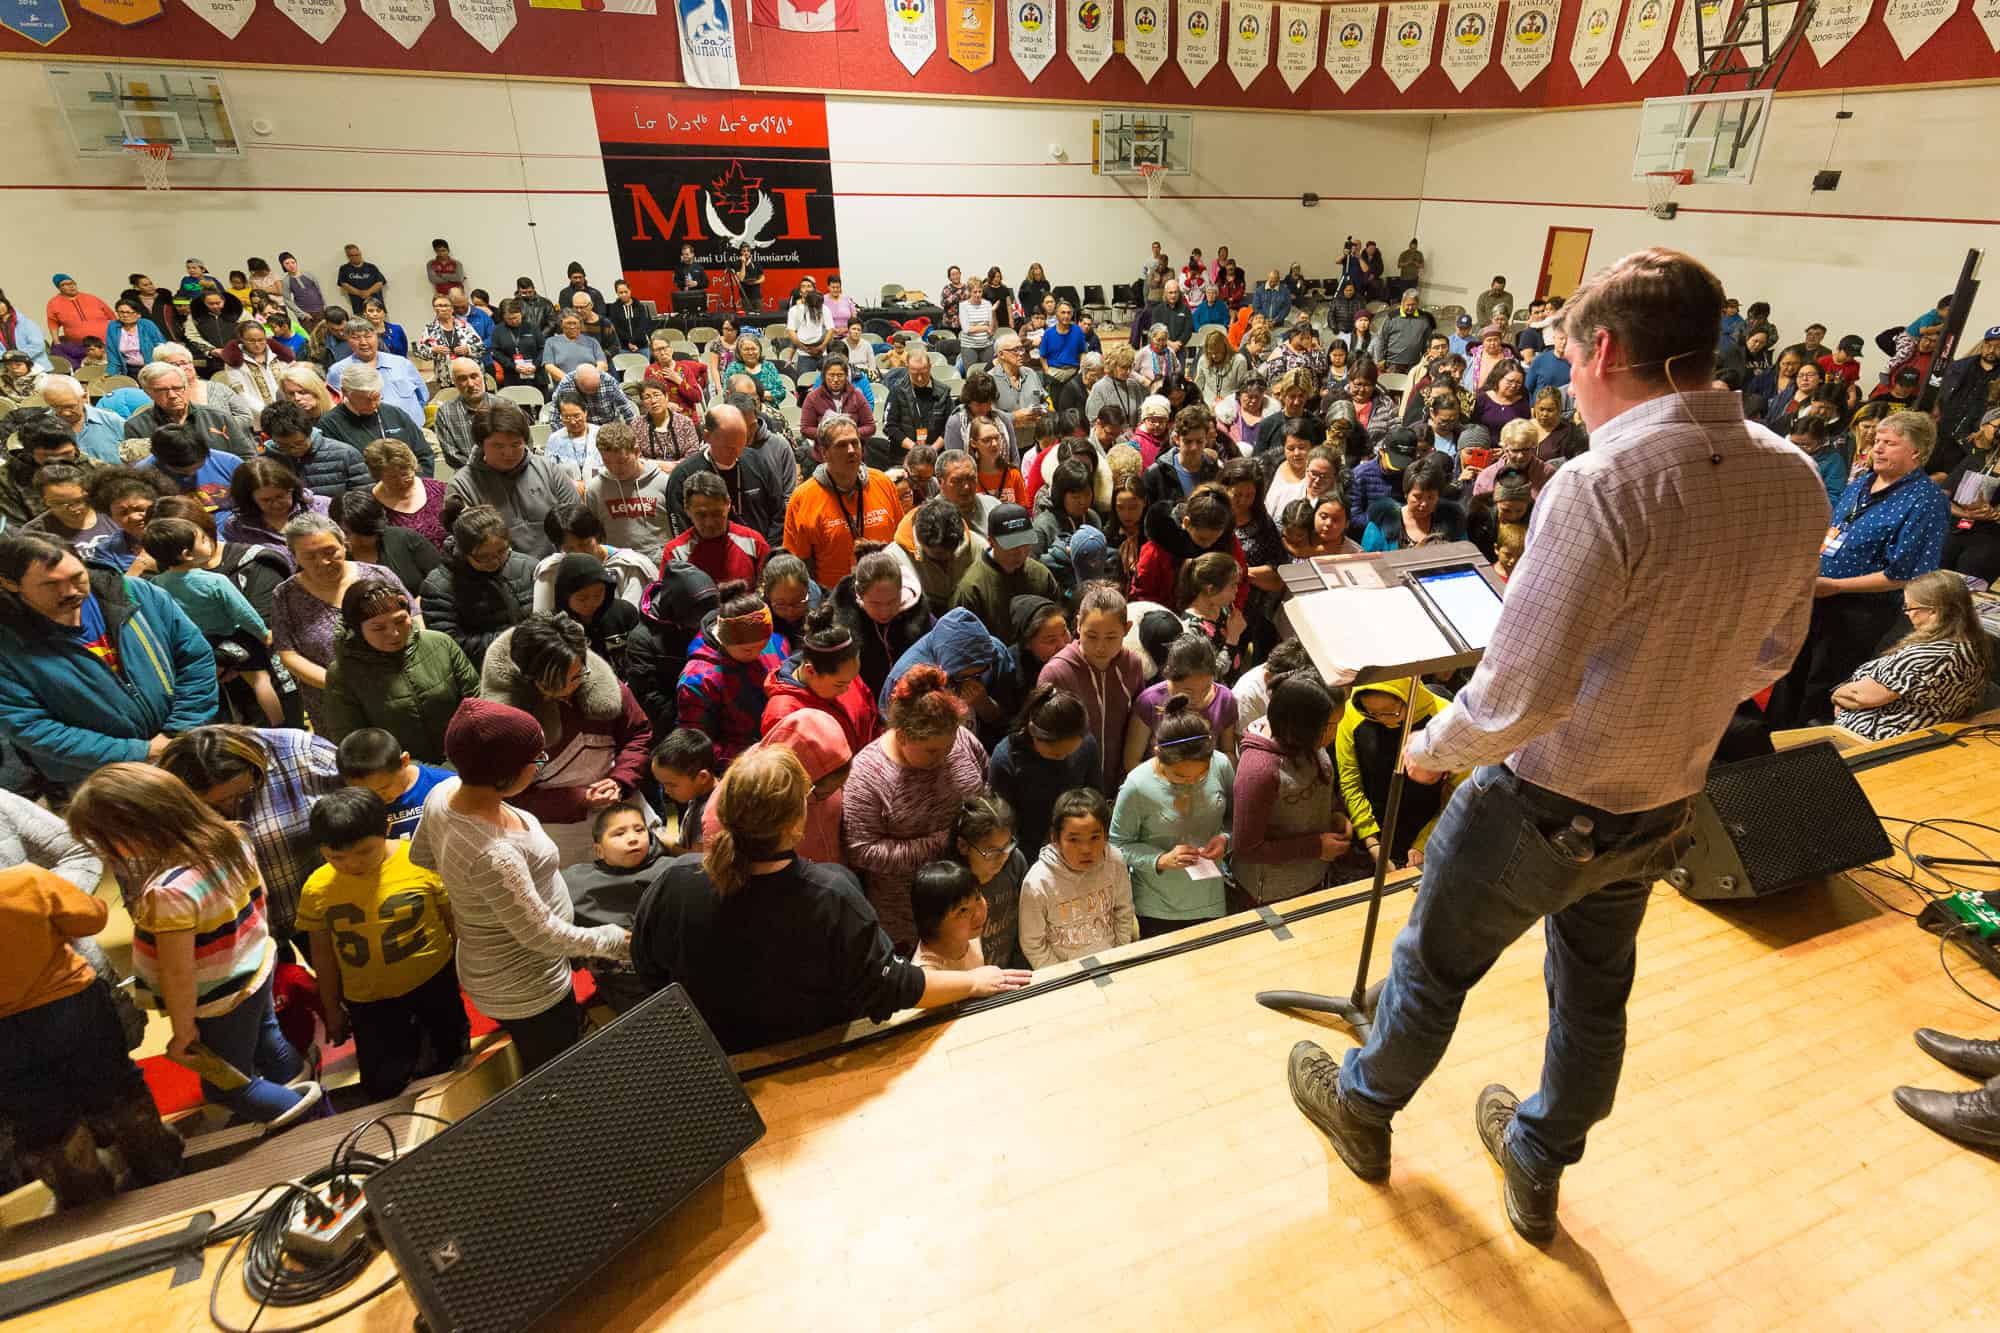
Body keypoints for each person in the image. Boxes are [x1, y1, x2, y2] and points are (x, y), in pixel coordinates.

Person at [1283, 250, 1831, 1246]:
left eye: (1568, 356)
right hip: (1664, 797)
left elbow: (1517, 694)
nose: (1566, 378)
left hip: (1539, 798)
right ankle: (1537, 1159)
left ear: (1603, 348)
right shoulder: (1789, 471)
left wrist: (1429, 751)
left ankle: (1360, 1110)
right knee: (1592, 994)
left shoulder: (1601, 480)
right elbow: (1776, 649)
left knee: (1431, 968)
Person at [633, 745, 1027, 1051]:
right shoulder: (832, 895)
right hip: (816, 1061)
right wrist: (972, 981)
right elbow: (890, 988)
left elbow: (649, 972)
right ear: (795, 825)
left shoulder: (674, 884)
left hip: (720, 1064)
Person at [67, 763, 322, 1127]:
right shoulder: (232, 836)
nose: (107, 854)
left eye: (105, 842)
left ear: (136, 830)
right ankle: (301, 1083)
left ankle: (309, 1118)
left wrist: (183, 1029)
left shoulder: (168, 892)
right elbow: (259, 896)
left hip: (217, 1001)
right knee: (268, 1038)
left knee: (227, 1088)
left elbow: (178, 971)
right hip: (256, 965)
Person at [411, 698, 628, 1073]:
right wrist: (612, 940)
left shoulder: (441, 794)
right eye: (537, 761)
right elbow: (541, 935)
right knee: (556, 1071)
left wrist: (477, 897)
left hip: (489, 962)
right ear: (504, 773)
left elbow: (423, 856)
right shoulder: (494, 854)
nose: (542, 765)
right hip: (529, 986)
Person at [1766, 411, 1950, 728]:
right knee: (1789, 674)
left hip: (1859, 611)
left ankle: (1801, 756)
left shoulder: (1926, 500)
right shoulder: (1862, 481)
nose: (1877, 448)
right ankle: (1766, 746)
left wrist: (1837, 586)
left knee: (1822, 687)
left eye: (1889, 443)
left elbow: (1905, 574)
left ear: (1916, 452)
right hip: (1815, 596)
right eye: (1877, 441)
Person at [0, 533, 218, 785]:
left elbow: (195, 658)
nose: (70, 591)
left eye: (77, 577)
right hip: (105, 780)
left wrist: (177, 733)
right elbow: (30, 726)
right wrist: (139, 752)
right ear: (9, 583)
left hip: (187, 747)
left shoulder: (134, 594)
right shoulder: (8, 643)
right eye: (50, 585)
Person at [300, 789, 468, 1100]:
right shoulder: (317, 888)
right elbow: (322, 955)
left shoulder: (420, 860)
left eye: (364, 851)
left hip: (434, 982)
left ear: (387, 830)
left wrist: (467, 970)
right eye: (336, 857)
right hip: (368, 1000)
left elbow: (453, 920)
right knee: (383, 1082)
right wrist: (332, 1007)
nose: (351, 864)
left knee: (451, 1059)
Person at [480, 614, 653, 866]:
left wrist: (621, 780)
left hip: (620, 805)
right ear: (530, 679)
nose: (570, 687)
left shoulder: (602, 686)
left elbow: (638, 734)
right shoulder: (508, 719)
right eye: (556, 682)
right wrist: (579, 799)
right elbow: (511, 792)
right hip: (556, 826)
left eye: (576, 675)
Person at [843, 664, 991, 946]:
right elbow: (860, 850)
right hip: (906, 918)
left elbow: (986, 784)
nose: (943, 756)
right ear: (902, 735)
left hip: (967, 901)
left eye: (948, 747)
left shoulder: (961, 740)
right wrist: (939, 842)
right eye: (932, 751)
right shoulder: (868, 774)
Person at [1111, 693, 1233, 939]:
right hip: (1157, 905)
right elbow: (1117, 845)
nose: (1190, 782)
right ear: (1158, 755)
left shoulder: (1221, 765)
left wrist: (1225, 839)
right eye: (1179, 776)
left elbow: (1236, 818)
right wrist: (1160, 860)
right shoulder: (1137, 785)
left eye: (1200, 776)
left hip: (1211, 897)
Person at [143, 516, 285, 725]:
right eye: (202, 540)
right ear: (187, 554)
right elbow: (243, 613)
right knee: (260, 680)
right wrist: (264, 634)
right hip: (232, 638)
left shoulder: (156, 584)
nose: (209, 542)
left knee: (213, 691)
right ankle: (280, 725)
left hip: (197, 645)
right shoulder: (214, 581)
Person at [321, 578, 477, 763]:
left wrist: (460, 761)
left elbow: (476, 701)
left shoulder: (440, 643)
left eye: (400, 621)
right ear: (357, 630)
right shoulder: (343, 673)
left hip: (466, 759)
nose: (394, 633)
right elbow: (356, 744)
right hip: (401, 774)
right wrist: (425, 775)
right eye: (378, 628)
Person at [1829, 569, 1991, 740]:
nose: (1906, 613)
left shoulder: (1930, 656)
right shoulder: (1973, 642)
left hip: (1877, 738)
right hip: (1920, 729)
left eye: (1909, 606)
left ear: (1934, 611)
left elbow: (1861, 697)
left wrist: (1836, 696)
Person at [445, 401, 578, 561]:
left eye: (516, 444)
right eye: (498, 446)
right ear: (481, 445)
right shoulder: (462, 486)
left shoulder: (548, 470)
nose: (508, 453)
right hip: (499, 572)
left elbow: (576, 525)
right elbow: (469, 547)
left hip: (558, 563)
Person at [1018, 787, 1135, 968]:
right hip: (1064, 973)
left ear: (1106, 835)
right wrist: (1060, 976)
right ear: (1055, 839)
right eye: (1073, 840)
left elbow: (1124, 911)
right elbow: (1033, 943)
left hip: (1111, 961)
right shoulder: (1038, 882)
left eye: (1095, 837)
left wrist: (1118, 954)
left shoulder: (1115, 860)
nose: (1086, 849)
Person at [676, 582, 787, 770]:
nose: (759, 653)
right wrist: (751, 760)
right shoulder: (698, 680)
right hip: (741, 766)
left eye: (764, 645)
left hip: (778, 749)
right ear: (723, 639)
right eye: (748, 650)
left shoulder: (776, 642)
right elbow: (698, 743)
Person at [783, 413, 903, 587]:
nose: (851, 450)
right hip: (835, 599)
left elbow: (899, 541)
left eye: (855, 443)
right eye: (841, 445)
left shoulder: (883, 483)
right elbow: (798, 564)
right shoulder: (803, 498)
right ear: (824, 453)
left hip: (885, 590)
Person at [988, 684, 1101, 863]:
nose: (1064, 757)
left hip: (1078, 845)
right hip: (1028, 853)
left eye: (1070, 753)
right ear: (1033, 733)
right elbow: (1004, 824)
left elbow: (1094, 796)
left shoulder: (1087, 744)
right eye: (1056, 754)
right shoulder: (1006, 760)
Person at [337, 727, 452, 840]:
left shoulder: (447, 786)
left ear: (404, 761)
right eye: (368, 793)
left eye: (384, 788)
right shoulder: (352, 806)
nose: (379, 798)